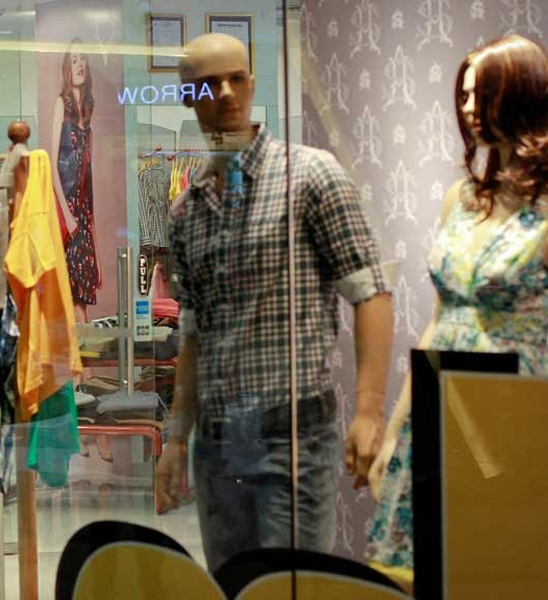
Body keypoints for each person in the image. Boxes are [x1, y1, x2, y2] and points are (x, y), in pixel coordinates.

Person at [154, 33, 394, 572]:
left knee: (291, 586)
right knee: (233, 583)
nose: (226, 92)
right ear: (188, 96)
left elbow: (369, 290)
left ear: (252, 81)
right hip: (216, 443)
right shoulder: (186, 211)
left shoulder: (309, 176)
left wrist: (371, 410)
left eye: (237, 78)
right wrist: (176, 439)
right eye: (209, 83)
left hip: (291, 437)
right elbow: (193, 331)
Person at [367, 35, 548, 594]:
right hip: (443, 399)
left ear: (521, 95)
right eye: (464, 95)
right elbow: (440, 318)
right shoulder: (462, 199)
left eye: (483, 94)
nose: (468, 108)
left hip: (516, 403)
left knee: (500, 570)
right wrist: (396, 428)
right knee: (425, 572)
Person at [52, 38, 100, 321]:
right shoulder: (62, 104)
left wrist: (86, 219)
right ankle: (80, 364)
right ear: (67, 67)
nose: (80, 64)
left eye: (83, 59)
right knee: (70, 292)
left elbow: (88, 170)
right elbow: (53, 163)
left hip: (82, 211)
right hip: (66, 209)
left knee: (80, 294)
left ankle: (83, 364)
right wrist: (67, 215)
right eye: (74, 60)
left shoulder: (88, 111)